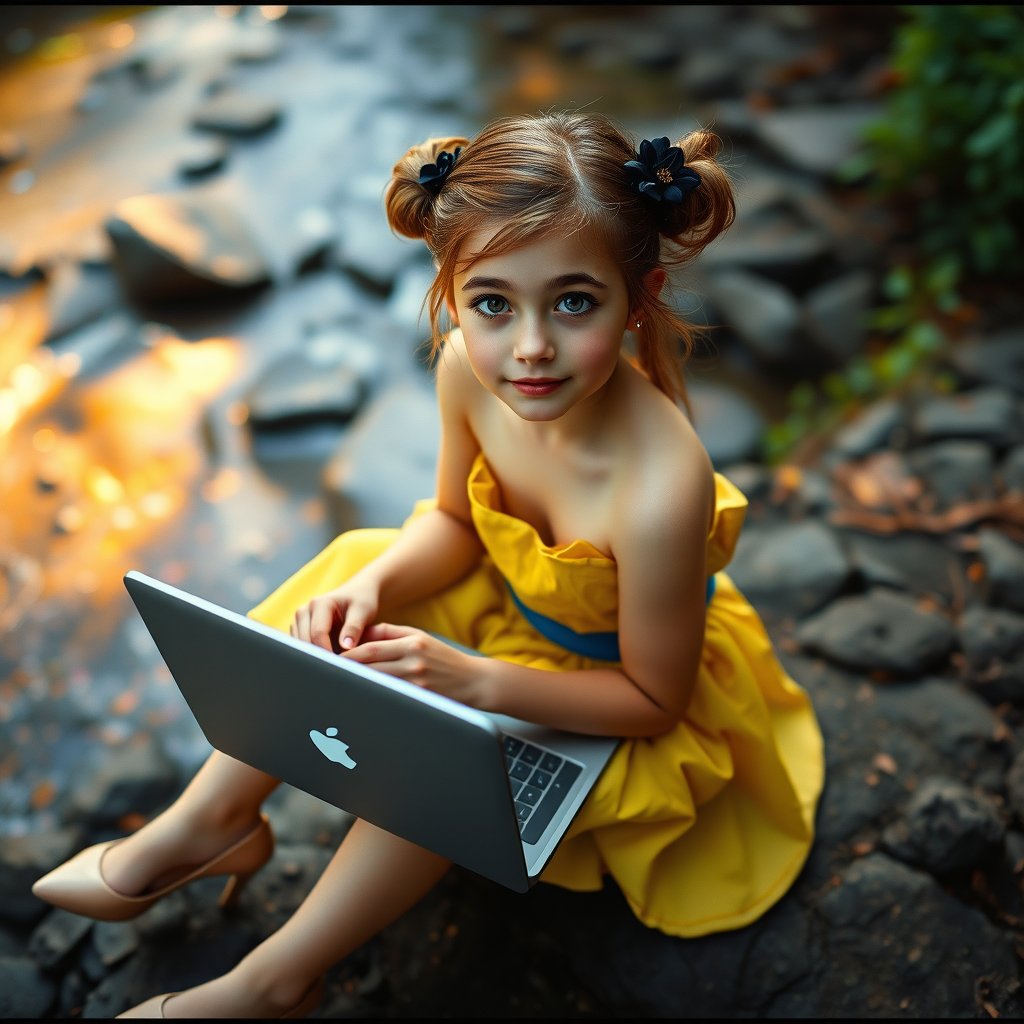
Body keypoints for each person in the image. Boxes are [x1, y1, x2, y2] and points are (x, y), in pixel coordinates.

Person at [32, 111, 825, 1018]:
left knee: (440, 743)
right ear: (452, 296)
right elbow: (455, 522)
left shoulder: (659, 485)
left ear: (638, 297)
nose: (529, 348)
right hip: (510, 607)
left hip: (611, 688)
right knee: (356, 566)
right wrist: (370, 589)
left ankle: (277, 978)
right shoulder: (465, 370)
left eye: (574, 302)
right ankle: (208, 821)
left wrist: (474, 682)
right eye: (493, 303)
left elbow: (655, 702)